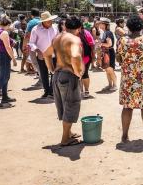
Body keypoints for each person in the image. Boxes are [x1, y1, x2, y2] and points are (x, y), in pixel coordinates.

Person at [116, 15, 143, 143]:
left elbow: (118, 59)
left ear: (128, 27)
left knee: (127, 107)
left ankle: (124, 136)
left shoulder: (122, 41)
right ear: (142, 26)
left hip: (128, 79)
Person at [45, 16, 84, 147]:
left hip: (57, 74)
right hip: (68, 75)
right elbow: (75, 56)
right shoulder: (74, 39)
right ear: (79, 28)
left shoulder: (57, 38)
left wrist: (51, 68)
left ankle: (69, 133)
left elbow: (46, 54)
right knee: (71, 105)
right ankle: (65, 139)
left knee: (63, 105)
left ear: (65, 27)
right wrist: (78, 73)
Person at [29, 11, 59, 98]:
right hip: (42, 56)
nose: (50, 22)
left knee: (54, 73)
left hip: (54, 55)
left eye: (51, 20)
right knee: (44, 74)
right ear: (43, 21)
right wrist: (37, 51)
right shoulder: (36, 29)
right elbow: (31, 43)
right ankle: (46, 91)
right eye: (48, 21)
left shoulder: (55, 27)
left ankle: (52, 91)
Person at [0, 17, 17, 108]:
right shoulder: (4, 32)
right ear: (8, 24)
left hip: (1, 56)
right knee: (3, 78)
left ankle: (4, 97)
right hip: (4, 56)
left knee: (5, 77)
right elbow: (7, 47)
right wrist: (13, 58)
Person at [98, 18, 117, 90]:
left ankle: (114, 85)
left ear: (105, 25)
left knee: (110, 69)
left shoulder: (108, 32)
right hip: (106, 52)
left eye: (101, 23)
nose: (99, 24)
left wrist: (100, 43)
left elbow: (109, 44)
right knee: (107, 70)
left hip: (109, 52)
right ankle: (110, 85)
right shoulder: (105, 32)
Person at [78, 23, 95, 98]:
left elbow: (92, 45)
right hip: (76, 58)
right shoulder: (73, 33)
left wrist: (93, 56)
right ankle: (80, 90)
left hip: (86, 57)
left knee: (85, 74)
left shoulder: (86, 33)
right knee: (78, 75)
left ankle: (86, 90)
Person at [22, 9, 41, 74]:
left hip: (33, 45)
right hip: (43, 45)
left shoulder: (31, 22)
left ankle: (41, 78)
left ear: (31, 15)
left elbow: (27, 35)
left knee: (34, 62)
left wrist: (24, 46)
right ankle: (42, 76)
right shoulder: (43, 21)